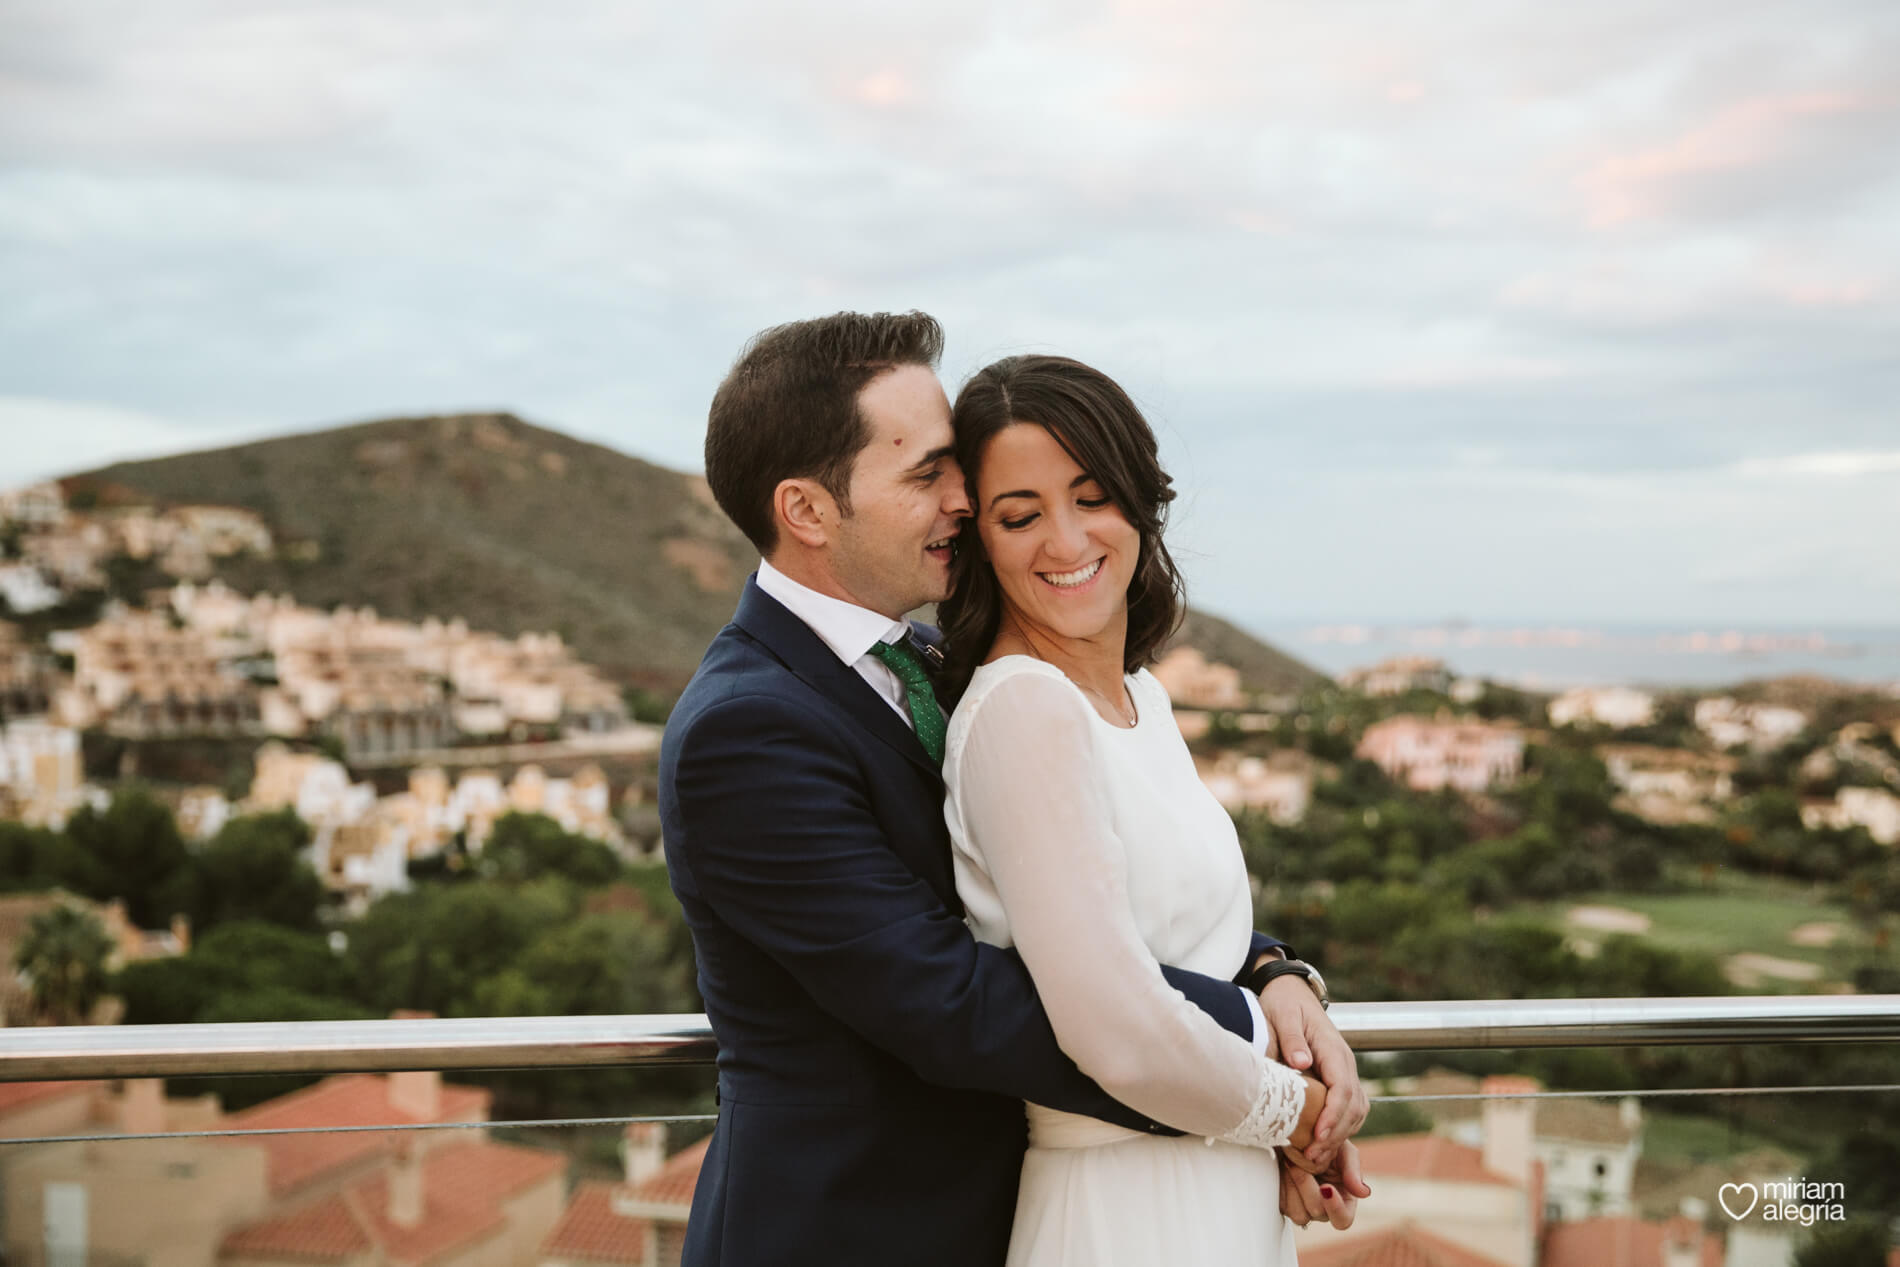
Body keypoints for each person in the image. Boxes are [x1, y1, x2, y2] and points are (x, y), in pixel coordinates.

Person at [659, 311, 1366, 1267]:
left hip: (1017, 1210)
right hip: (849, 1233)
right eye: (926, 474)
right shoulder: (742, 729)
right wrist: (1263, 1089)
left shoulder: (935, 661)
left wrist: (1270, 971)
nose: (964, 498)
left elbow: (1086, 877)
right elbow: (955, 1000)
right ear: (808, 510)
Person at [938, 353, 1362, 1264]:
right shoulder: (1024, 708)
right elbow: (1112, 1026)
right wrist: (1298, 1114)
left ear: (1138, 498)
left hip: (1221, 1190)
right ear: (980, 540)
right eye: (1020, 515)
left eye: (1091, 496)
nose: (1064, 539)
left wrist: (1282, 977)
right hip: (1124, 1210)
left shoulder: (1143, 700)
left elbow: (1187, 938)